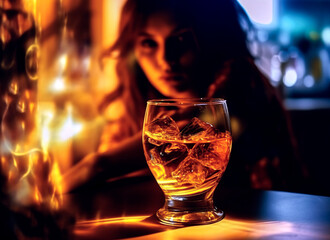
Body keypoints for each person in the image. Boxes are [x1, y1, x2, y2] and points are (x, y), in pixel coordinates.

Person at [62, 0, 307, 193]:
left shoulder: (239, 82)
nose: (166, 60)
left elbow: (102, 166)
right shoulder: (143, 100)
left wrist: (93, 166)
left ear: (209, 37)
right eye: (149, 43)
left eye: (180, 39)